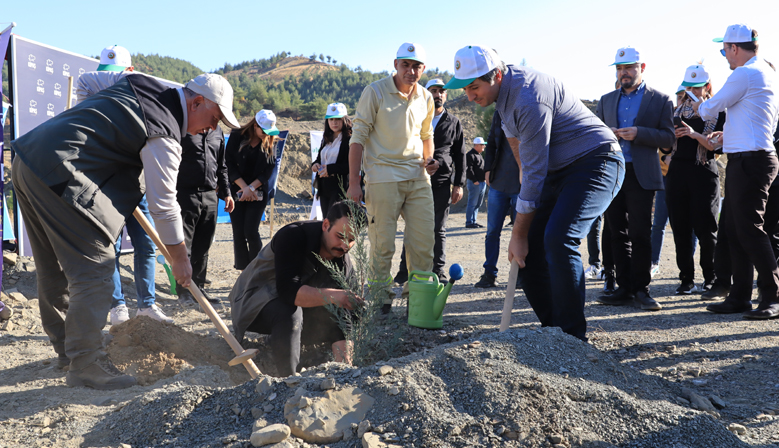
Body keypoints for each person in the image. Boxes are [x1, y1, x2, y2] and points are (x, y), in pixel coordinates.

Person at [11, 68, 239, 389]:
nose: (212, 129)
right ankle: (85, 363)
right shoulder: (164, 132)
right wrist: (179, 258)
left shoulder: (139, 81)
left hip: (29, 158)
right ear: (198, 102)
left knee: (53, 266)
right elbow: (164, 205)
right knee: (97, 269)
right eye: (215, 119)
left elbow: (88, 80)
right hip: (63, 174)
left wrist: (84, 126)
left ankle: (68, 350)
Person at [447, 45, 623, 340]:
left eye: (474, 87)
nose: (470, 96)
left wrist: (517, 233)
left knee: (558, 237)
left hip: (597, 161)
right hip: (560, 171)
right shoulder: (503, 98)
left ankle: (572, 338)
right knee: (528, 256)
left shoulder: (528, 97)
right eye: (466, 89)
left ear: (497, 75)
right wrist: (522, 232)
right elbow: (520, 155)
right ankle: (553, 334)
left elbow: (534, 173)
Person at [75, 46, 173, 326]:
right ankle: (118, 306)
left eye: (118, 76)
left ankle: (148, 305)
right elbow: (85, 80)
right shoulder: (92, 95)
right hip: (107, 187)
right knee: (111, 248)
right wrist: (125, 80)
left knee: (146, 246)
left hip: (138, 184)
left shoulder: (143, 98)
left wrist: (130, 80)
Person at [692, 24, 779, 319]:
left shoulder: (743, 73)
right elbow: (758, 119)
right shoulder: (766, 72)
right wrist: (728, 136)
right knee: (733, 228)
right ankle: (739, 297)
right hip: (749, 156)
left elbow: (709, 109)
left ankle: (772, 297)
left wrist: (699, 105)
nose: (725, 56)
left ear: (734, 48)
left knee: (750, 230)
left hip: (750, 161)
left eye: (724, 50)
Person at [347, 42, 438, 313]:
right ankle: (380, 302)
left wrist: (429, 160)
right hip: (382, 176)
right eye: (406, 65)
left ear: (423, 69)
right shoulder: (374, 92)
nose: (411, 71)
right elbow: (358, 137)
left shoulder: (426, 97)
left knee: (423, 243)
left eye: (416, 66)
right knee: (382, 244)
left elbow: (426, 136)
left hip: (418, 177)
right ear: (395, 64)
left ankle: (418, 303)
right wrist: (354, 181)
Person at [228, 201, 365, 377]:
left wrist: (345, 371)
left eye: (351, 240)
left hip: (296, 310)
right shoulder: (294, 235)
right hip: (253, 303)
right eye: (340, 236)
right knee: (290, 313)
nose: (345, 246)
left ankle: (341, 372)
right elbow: (288, 291)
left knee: (338, 311)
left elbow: (346, 316)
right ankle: (289, 380)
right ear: (325, 225)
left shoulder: (343, 262)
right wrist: (334, 296)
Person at [595, 46, 675, 311]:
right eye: (619, 69)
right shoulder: (605, 100)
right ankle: (625, 288)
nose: (623, 73)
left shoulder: (661, 99)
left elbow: (668, 139)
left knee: (641, 233)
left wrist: (639, 132)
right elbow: (594, 136)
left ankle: (642, 289)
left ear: (642, 67)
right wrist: (608, 133)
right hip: (613, 172)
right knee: (616, 232)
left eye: (628, 68)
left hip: (642, 175)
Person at [394, 78, 465, 283]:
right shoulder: (416, 117)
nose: (438, 94)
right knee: (412, 228)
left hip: (441, 183)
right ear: (427, 93)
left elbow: (460, 155)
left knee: (438, 229)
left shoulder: (454, 122)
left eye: (441, 91)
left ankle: (438, 270)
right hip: (416, 179)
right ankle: (403, 271)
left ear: (446, 95)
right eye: (433, 90)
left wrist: (458, 184)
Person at [666, 65, 724, 295]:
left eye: (696, 87)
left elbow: (716, 146)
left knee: (706, 227)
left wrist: (693, 133)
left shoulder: (718, 111)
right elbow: (665, 144)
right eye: (688, 87)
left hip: (704, 171)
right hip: (678, 171)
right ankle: (686, 279)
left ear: (707, 87)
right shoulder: (676, 111)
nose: (691, 91)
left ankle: (710, 277)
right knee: (680, 226)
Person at [175, 127, 235, 304]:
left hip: (210, 195)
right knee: (185, 244)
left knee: (204, 244)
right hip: (186, 194)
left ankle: (198, 288)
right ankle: (184, 291)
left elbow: (222, 166)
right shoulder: (183, 129)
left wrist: (227, 193)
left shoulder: (218, 133)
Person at [226, 110, 278, 270]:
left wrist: (251, 188)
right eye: (263, 131)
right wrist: (244, 188)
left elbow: (269, 169)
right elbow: (228, 163)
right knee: (239, 232)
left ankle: (257, 269)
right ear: (255, 126)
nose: (266, 135)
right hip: (237, 189)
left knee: (251, 230)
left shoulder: (272, 141)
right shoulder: (236, 136)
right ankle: (243, 270)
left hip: (258, 191)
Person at [474, 110, 521, 289]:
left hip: (521, 185)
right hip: (498, 184)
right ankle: (489, 273)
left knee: (520, 233)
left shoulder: (528, 110)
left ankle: (519, 274)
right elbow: (492, 142)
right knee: (492, 232)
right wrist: (487, 170)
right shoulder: (500, 112)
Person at [311, 103, 352, 218]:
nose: (334, 123)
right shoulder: (326, 138)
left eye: (338, 119)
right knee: (326, 221)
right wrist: (315, 165)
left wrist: (330, 169)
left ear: (345, 120)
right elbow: (318, 158)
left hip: (339, 187)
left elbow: (350, 166)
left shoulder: (349, 139)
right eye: (331, 119)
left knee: (335, 221)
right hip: (324, 188)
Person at [465, 137, 487, 228]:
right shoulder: (470, 155)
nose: (484, 146)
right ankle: (469, 222)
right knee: (472, 203)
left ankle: (474, 221)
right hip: (475, 183)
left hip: (482, 183)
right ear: (477, 145)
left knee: (478, 203)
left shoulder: (479, 155)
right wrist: (474, 180)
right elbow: (469, 169)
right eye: (482, 145)